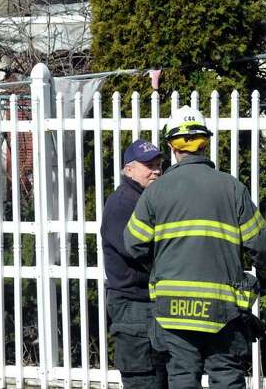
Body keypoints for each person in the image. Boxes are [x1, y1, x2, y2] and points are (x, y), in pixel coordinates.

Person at [125, 107, 266, 389]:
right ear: (205, 142)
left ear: (172, 146)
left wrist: (159, 263)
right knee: (226, 376)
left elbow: (133, 245)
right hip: (221, 310)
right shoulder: (233, 189)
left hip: (172, 307)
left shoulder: (155, 192)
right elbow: (263, 249)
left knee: (182, 377)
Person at [101, 139, 169, 389]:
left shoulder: (146, 199)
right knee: (145, 380)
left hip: (148, 306)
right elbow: (140, 253)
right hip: (134, 307)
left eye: (159, 165)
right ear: (128, 170)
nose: (157, 171)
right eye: (149, 165)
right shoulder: (124, 205)